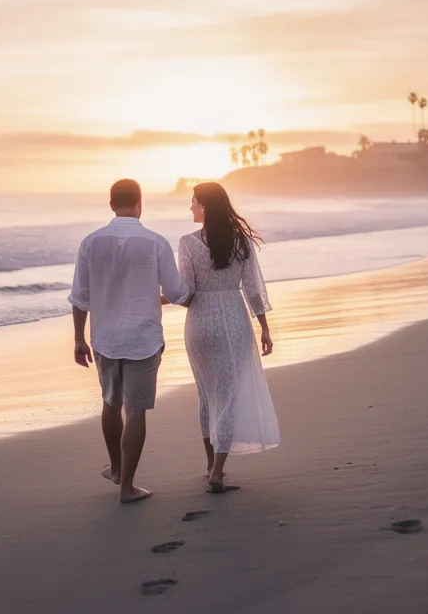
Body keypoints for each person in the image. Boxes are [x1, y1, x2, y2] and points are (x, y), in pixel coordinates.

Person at [69, 179, 190, 504]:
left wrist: (78, 339)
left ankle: (117, 469)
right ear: (140, 204)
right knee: (136, 411)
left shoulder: (90, 242)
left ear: (111, 205)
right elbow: (177, 292)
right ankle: (127, 487)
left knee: (111, 404)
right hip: (143, 339)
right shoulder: (156, 243)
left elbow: (80, 297)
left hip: (105, 338)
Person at [176, 182, 280, 494]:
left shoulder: (187, 243)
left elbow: (186, 293)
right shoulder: (241, 242)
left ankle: (211, 465)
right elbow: (253, 290)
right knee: (228, 396)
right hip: (234, 320)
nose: (190, 207)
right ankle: (218, 472)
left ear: (205, 206)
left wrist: (158, 299)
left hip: (199, 324)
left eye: (193, 202)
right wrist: (264, 327)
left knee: (207, 395)